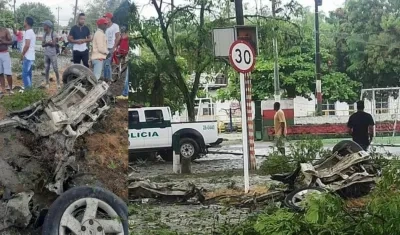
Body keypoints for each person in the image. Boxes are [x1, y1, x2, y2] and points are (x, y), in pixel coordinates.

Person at [42, 20, 61, 89]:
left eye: (44, 25)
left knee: (55, 69)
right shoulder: (44, 34)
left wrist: (47, 43)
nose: (43, 27)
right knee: (46, 69)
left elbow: (53, 44)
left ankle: (58, 83)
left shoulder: (53, 34)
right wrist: (48, 43)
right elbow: (42, 44)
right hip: (46, 54)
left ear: (48, 26)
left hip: (53, 54)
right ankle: (47, 83)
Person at [103, 12, 120, 82]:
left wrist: (114, 47)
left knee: (107, 63)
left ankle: (109, 78)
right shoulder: (105, 27)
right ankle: (105, 78)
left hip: (111, 47)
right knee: (104, 63)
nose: (105, 18)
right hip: (104, 48)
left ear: (110, 18)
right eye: (104, 17)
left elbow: (118, 37)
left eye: (106, 17)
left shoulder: (115, 26)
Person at [21, 17, 36, 90]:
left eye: (24, 21)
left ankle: (28, 91)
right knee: (28, 74)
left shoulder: (28, 32)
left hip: (27, 56)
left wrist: (22, 54)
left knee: (25, 74)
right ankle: (30, 90)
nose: (23, 22)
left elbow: (27, 45)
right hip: (31, 56)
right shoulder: (31, 32)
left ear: (26, 22)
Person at [0, 26, 13, 95]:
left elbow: (11, 42)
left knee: (8, 73)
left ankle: (11, 89)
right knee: (0, 73)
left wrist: (3, 41)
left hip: (5, 53)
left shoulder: (5, 30)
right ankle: (3, 89)